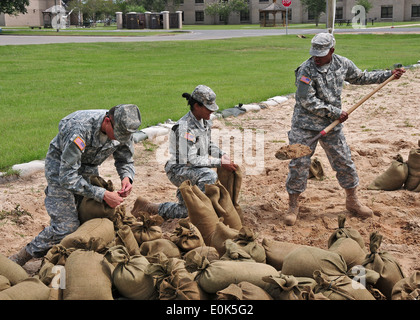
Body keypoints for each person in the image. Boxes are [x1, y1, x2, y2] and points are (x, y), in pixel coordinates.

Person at [284, 32, 405, 226]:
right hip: (305, 126)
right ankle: (293, 205)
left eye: (321, 53)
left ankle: (352, 201)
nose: (316, 57)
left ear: (332, 50)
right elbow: (306, 100)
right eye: (314, 52)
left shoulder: (342, 64)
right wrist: (334, 112)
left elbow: (360, 77)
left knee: (344, 161)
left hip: (332, 126)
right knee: (299, 165)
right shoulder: (306, 70)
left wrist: (388, 75)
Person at [9, 104, 142, 265]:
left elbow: (125, 159)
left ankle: (71, 258)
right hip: (61, 169)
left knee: (89, 216)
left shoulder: (123, 130)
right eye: (118, 134)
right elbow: (68, 177)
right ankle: (22, 256)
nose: (120, 139)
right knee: (66, 227)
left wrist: (127, 177)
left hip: (89, 168)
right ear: (107, 121)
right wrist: (103, 194)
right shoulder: (79, 129)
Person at [133, 85, 237, 219]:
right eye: (208, 108)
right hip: (179, 169)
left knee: (188, 209)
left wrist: (222, 155)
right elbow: (192, 160)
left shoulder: (204, 121)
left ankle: (157, 205)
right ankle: (154, 207)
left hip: (195, 169)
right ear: (196, 106)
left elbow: (208, 144)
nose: (211, 111)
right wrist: (219, 163)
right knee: (207, 181)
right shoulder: (184, 128)